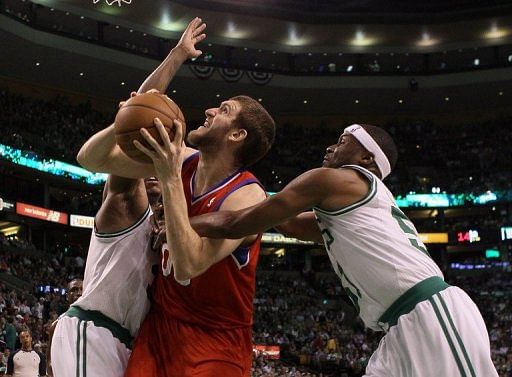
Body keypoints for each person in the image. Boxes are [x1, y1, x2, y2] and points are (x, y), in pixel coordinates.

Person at [188, 123, 498, 377]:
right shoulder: (352, 209)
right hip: (397, 329)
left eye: (341, 141)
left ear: (366, 159)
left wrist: (183, 221)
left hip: (432, 313)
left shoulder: (334, 181)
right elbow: (284, 222)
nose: (330, 148)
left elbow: (242, 221)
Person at [50, 16, 208, 376]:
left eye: (157, 167)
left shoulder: (170, 229)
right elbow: (136, 117)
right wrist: (177, 56)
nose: (150, 172)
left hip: (127, 344)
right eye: (144, 166)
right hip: (93, 331)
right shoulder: (127, 205)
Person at [46, 278, 83, 377]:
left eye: (82, 289)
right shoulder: (56, 325)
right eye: (74, 290)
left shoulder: (95, 322)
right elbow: (49, 361)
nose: (79, 293)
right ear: (67, 296)